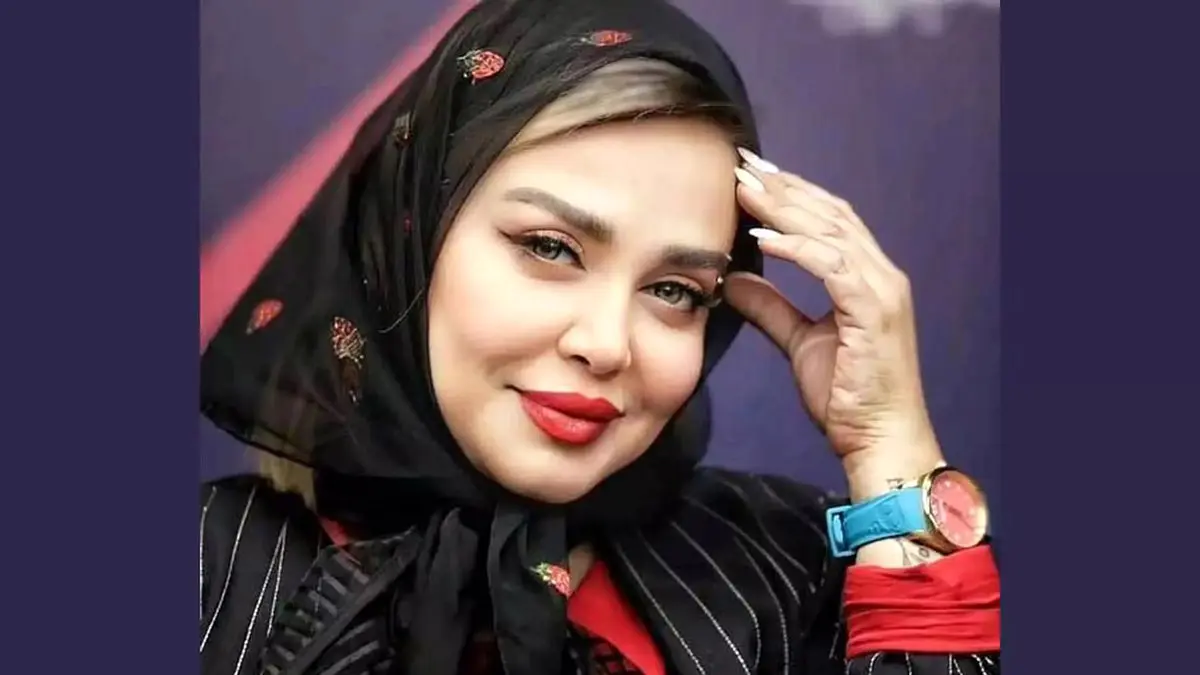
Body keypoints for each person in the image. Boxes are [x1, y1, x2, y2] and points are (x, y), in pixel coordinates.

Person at [199, 0, 1000, 673]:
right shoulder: (204, 570)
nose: (609, 343)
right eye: (550, 248)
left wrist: (887, 441)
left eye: (673, 290)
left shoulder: (787, 576)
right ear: (408, 237)